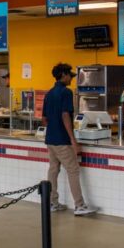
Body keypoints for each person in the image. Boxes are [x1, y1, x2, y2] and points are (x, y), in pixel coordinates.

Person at [42, 63, 96, 216]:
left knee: (53, 170)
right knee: (73, 170)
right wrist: (72, 140)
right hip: (62, 140)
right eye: (70, 76)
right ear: (63, 75)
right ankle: (79, 206)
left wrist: (53, 128)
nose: (71, 79)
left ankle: (52, 203)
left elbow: (44, 119)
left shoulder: (49, 93)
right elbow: (65, 115)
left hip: (50, 139)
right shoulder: (65, 92)